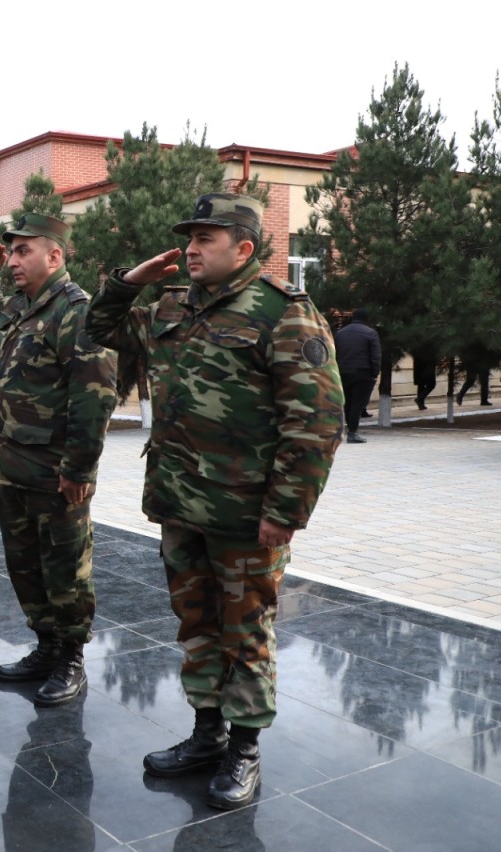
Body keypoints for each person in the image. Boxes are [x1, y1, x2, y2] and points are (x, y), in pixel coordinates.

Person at [85, 193, 344, 811]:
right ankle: (208, 735)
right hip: (179, 502)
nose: (191, 248)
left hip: (245, 515)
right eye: (189, 237)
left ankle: (245, 748)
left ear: (244, 247)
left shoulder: (284, 314)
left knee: (246, 630)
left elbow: (315, 422)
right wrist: (126, 283)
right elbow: (98, 330)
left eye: (206, 238)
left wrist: (284, 512)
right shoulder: (174, 304)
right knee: (197, 624)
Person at [0, 213, 117, 707]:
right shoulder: (17, 308)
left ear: (54, 256)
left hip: (56, 472)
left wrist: (79, 469)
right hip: (13, 467)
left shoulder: (76, 311)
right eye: (10, 252)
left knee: (65, 565)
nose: (12, 260)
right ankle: (46, 645)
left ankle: (71, 657)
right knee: (25, 562)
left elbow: (94, 396)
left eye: (21, 251)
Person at [334, 308, 380, 443]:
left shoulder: (340, 333)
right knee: (358, 404)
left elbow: (334, 353)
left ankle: (348, 430)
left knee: (347, 403)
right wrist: (375, 373)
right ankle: (352, 433)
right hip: (363, 373)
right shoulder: (371, 333)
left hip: (343, 372)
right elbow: (376, 356)